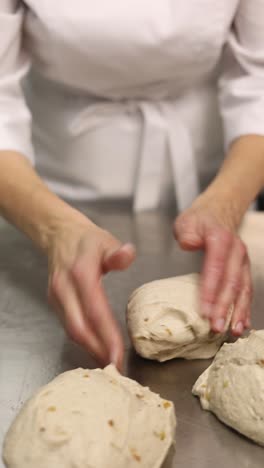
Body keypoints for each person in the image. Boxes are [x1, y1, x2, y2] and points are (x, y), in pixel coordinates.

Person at [0, 0, 264, 369]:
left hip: (209, 172)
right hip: (47, 181)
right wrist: (55, 228)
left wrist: (225, 204)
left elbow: (259, 80)